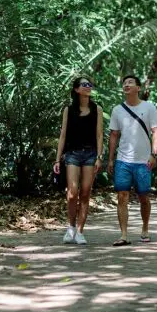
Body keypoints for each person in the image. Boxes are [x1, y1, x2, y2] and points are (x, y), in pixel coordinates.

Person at [107, 75, 157, 246]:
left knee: (143, 196)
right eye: (124, 83)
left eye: (130, 82)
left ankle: (145, 228)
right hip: (123, 160)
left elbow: (155, 131)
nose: (126, 85)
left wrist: (154, 154)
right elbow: (114, 135)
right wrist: (110, 159)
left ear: (139, 88)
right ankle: (123, 235)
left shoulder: (149, 107)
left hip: (143, 161)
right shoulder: (117, 110)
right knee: (122, 196)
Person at [54, 77, 104, 245]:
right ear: (76, 89)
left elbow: (99, 135)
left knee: (85, 192)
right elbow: (63, 135)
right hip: (72, 153)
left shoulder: (97, 109)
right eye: (84, 84)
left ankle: (81, 231)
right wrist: (56, 159)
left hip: (90, 154)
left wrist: (99, 157)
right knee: (72, 193)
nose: (88, 87)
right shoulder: (68, 110)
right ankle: (70, 227)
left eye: (89, 84)